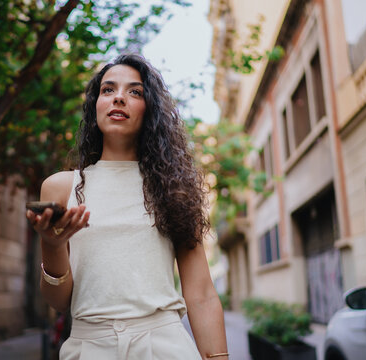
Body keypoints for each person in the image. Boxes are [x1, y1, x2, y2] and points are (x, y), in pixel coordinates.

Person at [26, 54, 228, 360]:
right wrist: (52, 245)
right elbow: (59, 301)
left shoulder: (174, 190)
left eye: (134, 92)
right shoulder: (60, 186)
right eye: (108, 90)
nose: (119, 97)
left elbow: (200, 295)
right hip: (89, 347)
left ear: (150, 111)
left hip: (165, 346)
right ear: (95, 106)